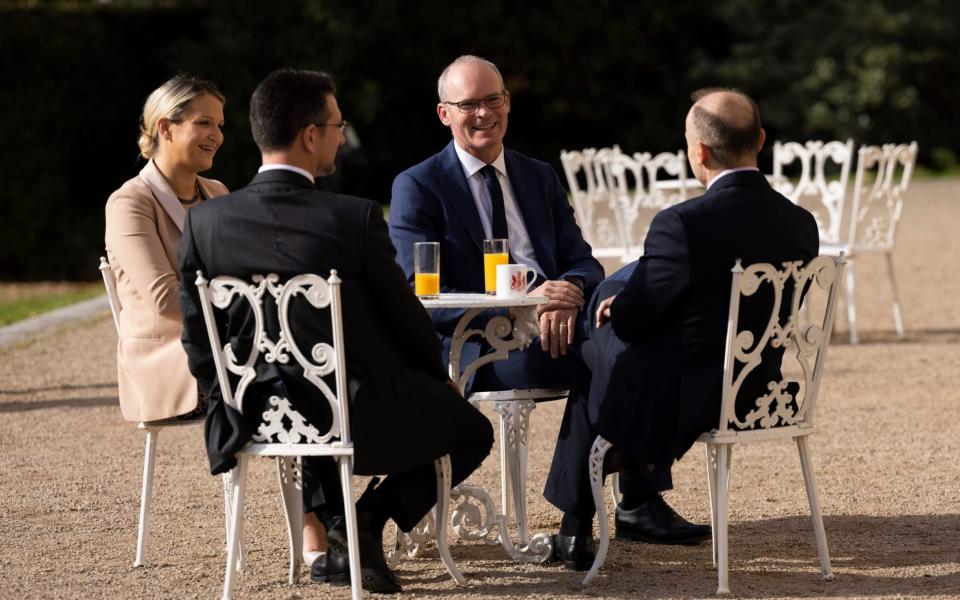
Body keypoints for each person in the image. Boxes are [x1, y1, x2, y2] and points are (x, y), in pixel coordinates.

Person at [178, 68, 493, 594]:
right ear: (309, 135)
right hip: (354, 419)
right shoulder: (354, 218)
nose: (341, 137)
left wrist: (227, 397)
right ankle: (365, 520)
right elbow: (406, 319)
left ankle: (345, 529)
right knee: (472, 430)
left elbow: (197, 334)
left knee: (312, 388)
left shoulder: (206, 223)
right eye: (337, 125)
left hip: (257, 414)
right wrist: (438, 376)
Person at [542, 88, 820, 570]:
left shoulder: (682, 224)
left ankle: (577, 523)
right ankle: (633, 502)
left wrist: (614, 304)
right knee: (619, 343)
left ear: (699, 152)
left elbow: (636, 317)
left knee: (590, 350)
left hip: (691, 400)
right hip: (762, 393)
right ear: (760, 139)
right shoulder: (801, 223)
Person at [388, 55, 604, 393]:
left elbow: (583, 262)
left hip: (561, 324)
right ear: (445, 114)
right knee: (607, 357)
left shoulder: (539, 176)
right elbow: (416, 293)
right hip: (485, 343)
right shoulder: (419, 185)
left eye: (493, 100)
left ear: (507, 102)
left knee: (630, 297)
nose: (484, 113)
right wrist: (523, 307)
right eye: (468, 104)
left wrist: (565, 294)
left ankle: (591, 449)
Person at [104, 75, 227, 423]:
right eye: (203, 123)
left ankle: (314, 475)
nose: (216, 135)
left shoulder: (218, 192)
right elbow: (165, 299)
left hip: (224, 348)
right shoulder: (129, 202)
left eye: (219, 125)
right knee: (281, 373)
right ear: (165, 128)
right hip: (169, 363)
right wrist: (245, 305)